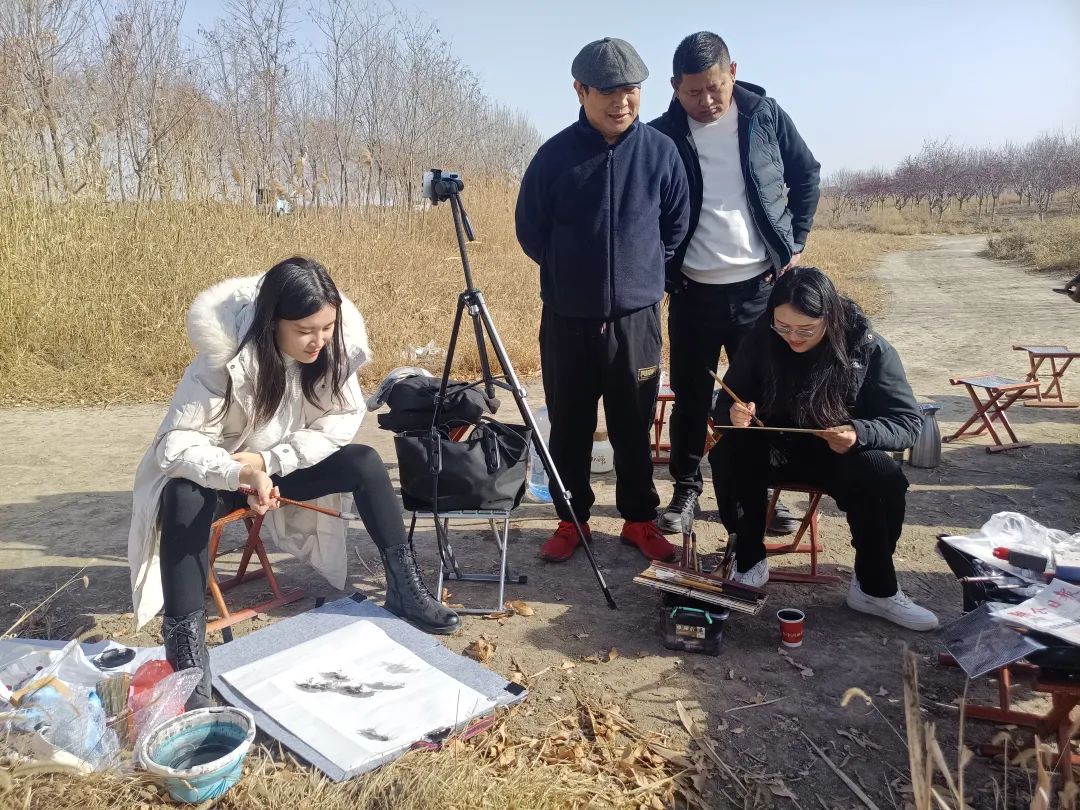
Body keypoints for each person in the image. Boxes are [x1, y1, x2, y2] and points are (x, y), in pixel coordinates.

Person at [127, 258, 460, 710]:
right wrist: (239, 471)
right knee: (181, 494)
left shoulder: (333, 350)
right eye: (305, 329)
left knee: (363, 462)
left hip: (275, 464)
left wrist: (271, 459)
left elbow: (344, 418)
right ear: (272, 322)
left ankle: (404, 586)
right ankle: (185, 651)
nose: (318, 340)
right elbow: (173, 445)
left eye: (326, 327)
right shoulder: (220, 359)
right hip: (220, 474)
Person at [515, 37, 690, 563]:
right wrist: (574, 272)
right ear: (580, 90)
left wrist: (639, 274)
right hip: (568, 317)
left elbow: (676, 225)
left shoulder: (660, 151)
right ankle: (572, 521)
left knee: (633, 424)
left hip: (637, 320)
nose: (621, 103)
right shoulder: (554, 157)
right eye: (608, 92)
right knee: (569, 424)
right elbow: (530, 230)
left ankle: (639, 519)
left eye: (631, 91)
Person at [650, 32, 821, 534]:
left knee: (763, 396)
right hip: (692, 291)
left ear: (734, 72)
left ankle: (765, 492)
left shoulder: (764, 116)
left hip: (759, 289)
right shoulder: (663, 134)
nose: (706, 101)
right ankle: (685, 491)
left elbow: (806, 173)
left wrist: (796, 242)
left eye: (716, 87)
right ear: (675, 88)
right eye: (693, 92)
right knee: (690, 395)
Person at [709, 267, 938, 631]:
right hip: (774, 447)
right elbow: (728, 399)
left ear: (829, 317)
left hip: (838, 453)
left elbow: (908, 423)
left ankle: (874, 589)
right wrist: (735, 411)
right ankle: (750, 559)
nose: (792, 337)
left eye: (805, 330)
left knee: (883, 475)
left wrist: (860, 432)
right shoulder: (762, 338)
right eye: (782, 327)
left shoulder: (868, 347)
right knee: (729, 451)